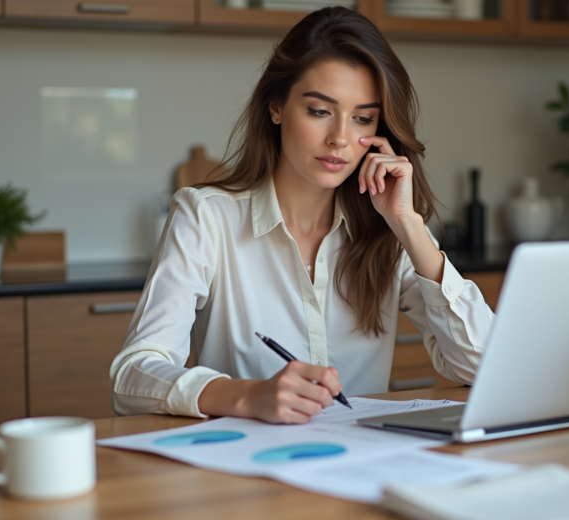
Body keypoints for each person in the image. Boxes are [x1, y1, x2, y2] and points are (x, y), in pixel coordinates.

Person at [110, 7, 494, 425]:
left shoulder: (389, 230)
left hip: (362, 466)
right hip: (245, 470)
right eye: (319, 111)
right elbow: (131, 375)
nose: (340, 139)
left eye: (363, 118)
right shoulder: (205, 216)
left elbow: (486, 369)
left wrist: (409, 225)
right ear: (276, 107)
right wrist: (246, 396)